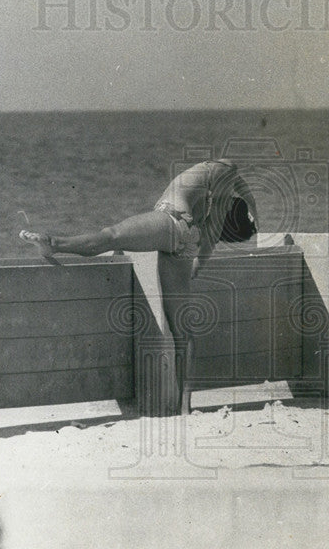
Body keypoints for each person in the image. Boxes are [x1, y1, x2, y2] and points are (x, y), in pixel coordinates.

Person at [19, 159, 258, 412]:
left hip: (172, 220)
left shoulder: (221, 172)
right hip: (186, 241)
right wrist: (250, 208)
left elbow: (233, 170)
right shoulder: (213, 216)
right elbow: (205, 252)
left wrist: (251, 205)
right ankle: (184, 406)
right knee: (181, 332)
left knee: (111, 235)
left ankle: (54, 243)